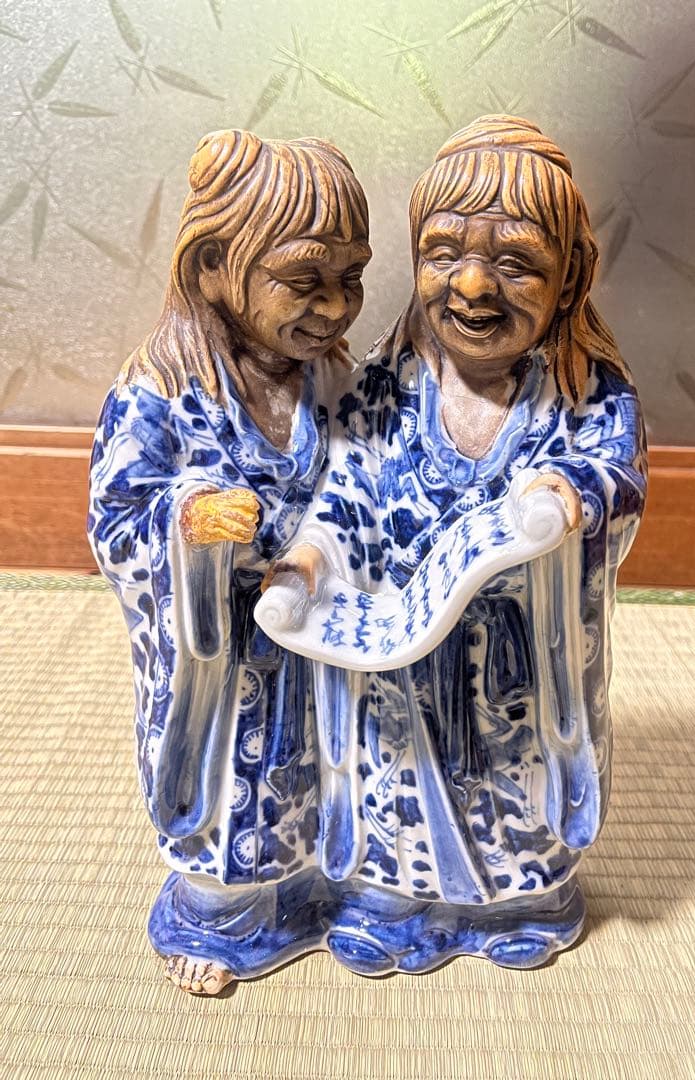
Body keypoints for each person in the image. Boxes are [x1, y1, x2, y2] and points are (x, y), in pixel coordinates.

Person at [269, 115, 647, 973]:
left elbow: (616, 473)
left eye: (515, 263)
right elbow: (347, 488)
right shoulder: (387, 383)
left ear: (570, 276)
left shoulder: (585, 391)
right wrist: (310, 560)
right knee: (391, 779)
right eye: (443, 253)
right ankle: (390, 903)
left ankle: (520, 901)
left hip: (520, 662)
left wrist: (571, 495)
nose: (473, 285)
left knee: (517, 787)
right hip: (399, 658)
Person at [88, 129, 371, 993]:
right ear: (214, 265)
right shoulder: (159, 390)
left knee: (333, 779)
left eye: (352, 277)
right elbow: (116, 519)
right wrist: (191, 524)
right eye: (304, 279)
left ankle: (326, 887)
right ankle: (216, 917)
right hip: (223, 658)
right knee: (231, 795)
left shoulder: (332, 381)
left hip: (317, 632)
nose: (333, 306)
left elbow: (367, 476)